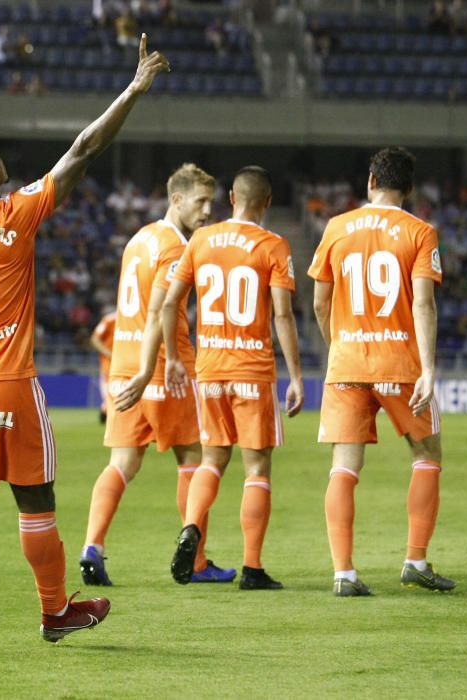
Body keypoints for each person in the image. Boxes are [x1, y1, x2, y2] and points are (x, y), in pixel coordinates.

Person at [0, 38, 169, 653]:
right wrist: (133, 89)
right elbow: (85, 147)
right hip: (9, 383)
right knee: (36, 502)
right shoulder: (16, 213)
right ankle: (54, 613)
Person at [79, 163, 237, 585]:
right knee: (195, 458)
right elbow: (159, 311)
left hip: (124, 364)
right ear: (177, 199)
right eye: (201, 202)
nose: (208, 210)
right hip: (167, 367)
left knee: (122, 462)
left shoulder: (137, 240)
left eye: (212, 201)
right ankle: (197, 562)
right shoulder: (174, 246)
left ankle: (92, 546)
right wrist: (165, 362)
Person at [310, 146, 455, 596]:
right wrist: (429, 368)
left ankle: (343, 573)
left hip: (347, 363)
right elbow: (424, 303)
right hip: (401, 364)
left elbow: (319, 301)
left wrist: (339, 348)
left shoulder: (336, 227)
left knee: (344, 466)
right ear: (409, 190)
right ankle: (414, 560)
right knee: (427, 455)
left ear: (370, 180)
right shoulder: (420, 231)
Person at [163, 166, 304, 590]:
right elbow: (282, 314)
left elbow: (171, 303)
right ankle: (253, 568)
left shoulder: (200, 240)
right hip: (251, 370)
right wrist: (296, 376)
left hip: (209, 369)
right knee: (256, 467)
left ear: (230, 197)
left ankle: (191, 527)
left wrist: (172, 357)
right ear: (268, 201)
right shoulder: (273, 246)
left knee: (211, 460)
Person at [90, 307, 117, 423]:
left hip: (126, 363)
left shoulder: (135, 318)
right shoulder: (110, 319)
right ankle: (106, 411)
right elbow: (95, 339)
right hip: (110, 365)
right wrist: (109, 354)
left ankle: (106, 411)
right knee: (109, 392)